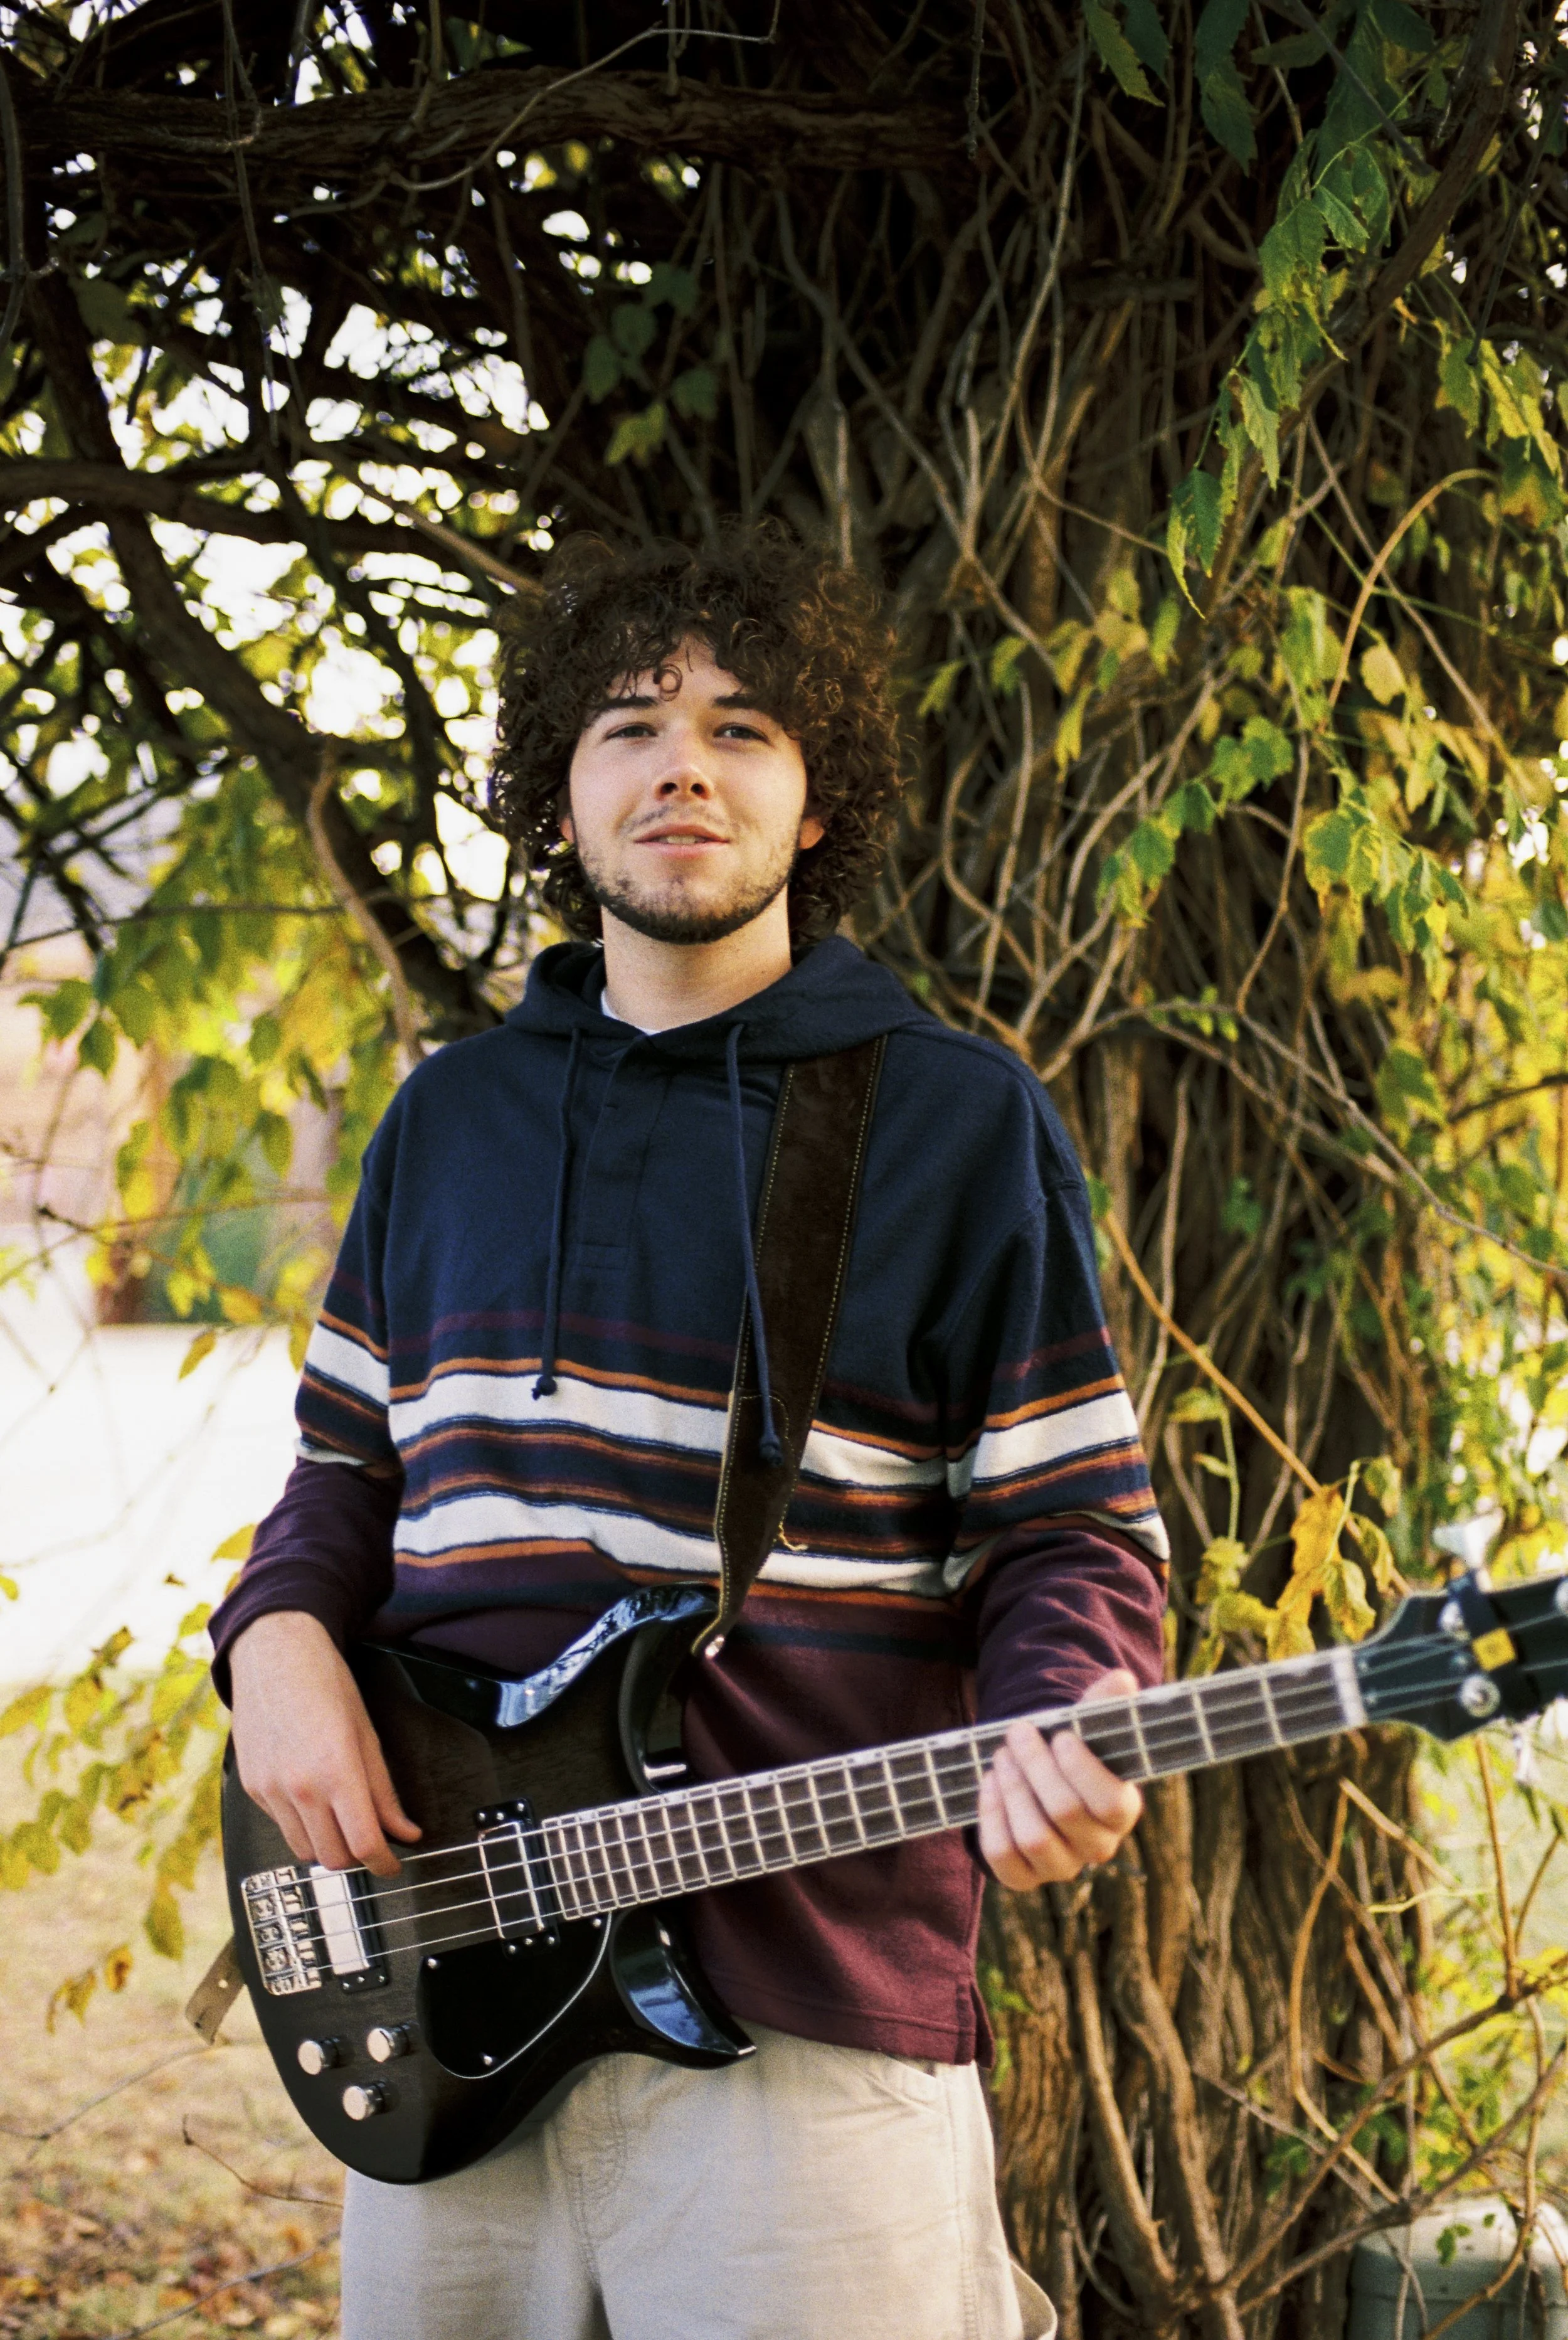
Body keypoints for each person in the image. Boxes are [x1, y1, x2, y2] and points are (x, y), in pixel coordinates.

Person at [211, 525, 1170, 2340]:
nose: (682, 767)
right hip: (439, 2015)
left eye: (741, 728)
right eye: (629, 725)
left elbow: (1073, 1533)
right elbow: (342, 1469)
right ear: (559, 802)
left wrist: (1065, 1707)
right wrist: (271, 1643)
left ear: (815, 803)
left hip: (802, 2016)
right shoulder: (451, 1123)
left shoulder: (952, 1125)